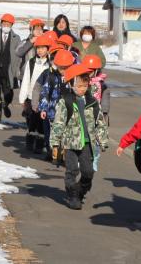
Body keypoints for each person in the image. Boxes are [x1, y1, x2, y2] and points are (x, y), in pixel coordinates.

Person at [50, 63, 109, 210]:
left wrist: (102, 140)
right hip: (70, 143)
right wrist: (55, 143)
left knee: (88, 172)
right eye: (79, 86)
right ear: (71, 84)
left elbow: (100, 122)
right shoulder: (66, 102)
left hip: (87, 144)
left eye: (85, 86)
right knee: (71, 171)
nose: (82, 89)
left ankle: (80, 191)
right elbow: (58, 123)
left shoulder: (93, 103)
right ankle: (72, 196)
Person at [37, 49, 75, 161]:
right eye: (61, 67)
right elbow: (45, 94)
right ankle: (54, 150)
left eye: (66, 67)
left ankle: (64, 152)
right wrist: (43, 109)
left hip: (69, 111)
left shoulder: (74, 79)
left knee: (67, 133)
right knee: (55, 133)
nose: (63, 70)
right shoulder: (51, 77)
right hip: (53, 111)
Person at [19, 34, 54, 154]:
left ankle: (39, 145)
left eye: (43, 48)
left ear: (48, 49)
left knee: (42, 123)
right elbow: (26, 80)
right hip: (31, 97)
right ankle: (29, 142)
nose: (40, 50)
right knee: (32, 122)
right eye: (38, 48)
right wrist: (22, 98)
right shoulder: (31, 62)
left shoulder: (51, 64)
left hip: (44, 98)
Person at [82, 54, 107, 171]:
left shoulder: (102, 84)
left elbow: (106, 100)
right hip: (83, 114)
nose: (89, 73)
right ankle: (82, 158)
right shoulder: (81, 82)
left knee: (96, 141)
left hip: (97, 115)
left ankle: (95, 158)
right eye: (87, 70)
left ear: (97, 70)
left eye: (91, 70)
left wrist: (105, 113)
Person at [16, 19, 47, 83]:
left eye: (40, 29)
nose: (39, 31)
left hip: (40, 76)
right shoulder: (25, 41)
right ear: (31, 30)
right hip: (26, 75)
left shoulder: (46, 43)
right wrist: (30, 42)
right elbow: (18, 53)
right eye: (36, 29)